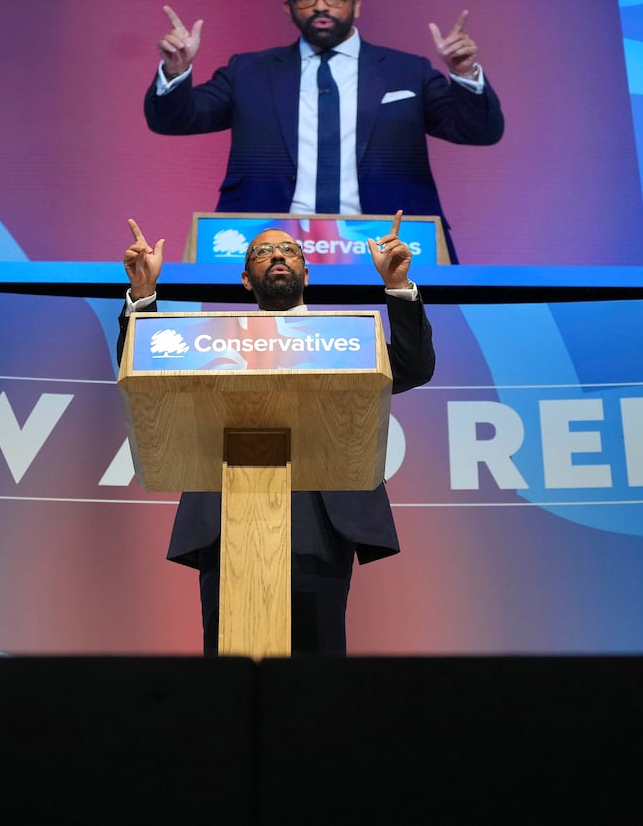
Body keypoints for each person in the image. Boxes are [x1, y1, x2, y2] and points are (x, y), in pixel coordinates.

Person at [117, 211, 436, 655]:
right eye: (262, 253)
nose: (277, 256)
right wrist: (143, 295)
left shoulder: (341, 340)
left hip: (321, 510)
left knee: (316, 666)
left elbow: (413, 367)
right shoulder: (211, 341)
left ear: (307, 271)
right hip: (227, 507)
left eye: (289, 250)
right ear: (247, 279)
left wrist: (398, 288)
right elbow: (145, 371)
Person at [144, 0, 504, 263]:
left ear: (356, 4)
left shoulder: (407, 71)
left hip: (389, 243)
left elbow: (478, 130)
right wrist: (175, 71)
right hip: (269, 247)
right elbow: (177, 119)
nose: (321, 6)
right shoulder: (248, 71)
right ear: (289, 8)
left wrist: (463, 74)